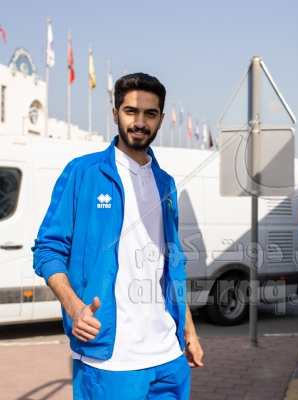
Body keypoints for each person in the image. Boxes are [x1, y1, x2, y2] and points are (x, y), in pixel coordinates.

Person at [32, 73, 203, 399]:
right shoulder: (83, 172)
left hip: (169, 356)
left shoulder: (165, 184)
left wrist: (188, 331)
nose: (139, 122)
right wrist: (74, 307)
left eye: (150, 113)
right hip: (111, 360)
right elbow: (47, 250)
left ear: (160, 119)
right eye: (130, 111)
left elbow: (171, 264)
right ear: (115, 114)